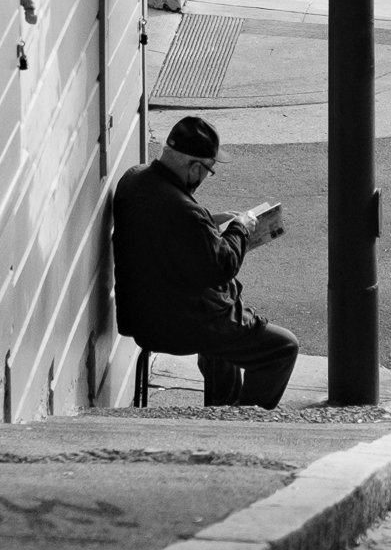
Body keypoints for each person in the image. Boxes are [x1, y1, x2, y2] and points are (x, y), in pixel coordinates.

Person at [109, 114, 299, 410]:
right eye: (207, 171)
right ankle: (241, 423)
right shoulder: (184, 211)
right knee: (283, 347)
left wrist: (209, 221)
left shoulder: (133, 179)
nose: (203, 179)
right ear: (194, 166)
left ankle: (224, 406)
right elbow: (222, 265)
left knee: (224, 327)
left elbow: (164, 227)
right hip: (180, 323)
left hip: (142, 316)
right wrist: (241, 226)